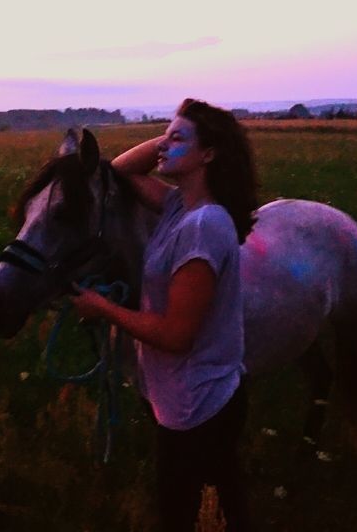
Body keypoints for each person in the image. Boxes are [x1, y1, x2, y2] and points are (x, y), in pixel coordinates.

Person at [70, 98, 257, 532]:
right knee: (220, 508)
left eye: (178, 139)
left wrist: (103, 309)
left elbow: (176, 335)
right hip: (182, 398)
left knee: (190, 516)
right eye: (164, 138)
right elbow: (120, 169)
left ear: (208, 154)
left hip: (200, 405)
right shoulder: (178, 208)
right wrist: (175, 136)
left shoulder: (203, 225)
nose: (164, 148)